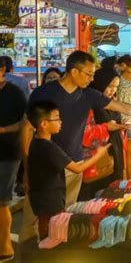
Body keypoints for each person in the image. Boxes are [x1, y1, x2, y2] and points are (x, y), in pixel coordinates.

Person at [19, 50, 131, 242]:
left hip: (74, 165)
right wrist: (26, 167)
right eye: (88, 74)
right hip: (45, 169)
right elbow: (26, 128)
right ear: (74, 72)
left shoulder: (88, 95)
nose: (92, 79)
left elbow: (123, 107)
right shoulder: (44, 93)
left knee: (64, 220)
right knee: (33, 220)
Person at [26, 101, 111, 239]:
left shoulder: (36, 143)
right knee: (52, 236)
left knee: (47, 233)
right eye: (57, 118)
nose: (60, 122)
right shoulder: (50, 149)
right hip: (51, 202)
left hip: (42, 200)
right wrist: (99, 154)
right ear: (44, 124)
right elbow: (77, 168)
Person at [79, 67, 130, 200]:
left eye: (116, 87)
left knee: (112, 195)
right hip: (96, 159)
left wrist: (121, 128)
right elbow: (84, 133)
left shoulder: (111, 102)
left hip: (115, 153)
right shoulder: (91, 102)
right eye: (110, 86)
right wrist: (107, 127)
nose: (113, 90)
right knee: (94, 198)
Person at [0, 56, 27, 261]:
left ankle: (5, 246)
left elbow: (24, 123)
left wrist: (3, 129)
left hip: (8, 152)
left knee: (2, 201)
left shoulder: (15, 93)